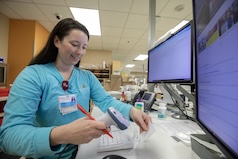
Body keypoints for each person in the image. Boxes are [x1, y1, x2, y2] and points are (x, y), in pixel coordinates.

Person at [0, 18, 151, 159]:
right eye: (74, 44)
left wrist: (132, 111)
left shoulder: (87, 77)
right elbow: (8, 136)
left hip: (80, 151)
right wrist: (60, 134)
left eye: (84, 47)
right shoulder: (33, 76)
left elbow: (105, 101)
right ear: (57, 41)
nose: (80, 52)